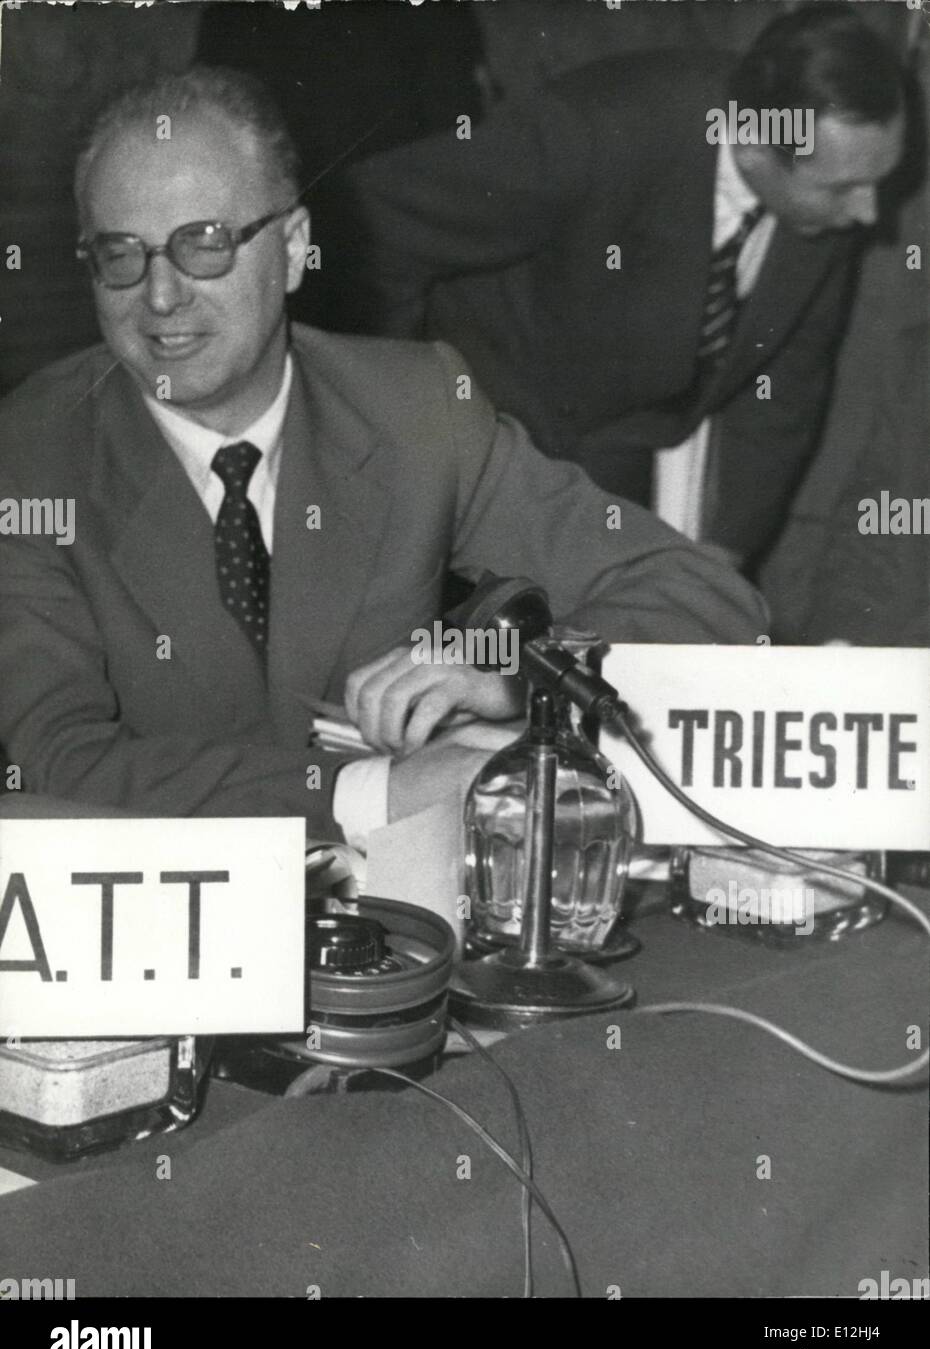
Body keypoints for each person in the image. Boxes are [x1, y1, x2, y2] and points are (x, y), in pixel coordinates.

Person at [0, 66, 767, 849]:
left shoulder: (418, 409)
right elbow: (57, 762)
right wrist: (374, 793)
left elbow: (703, 596)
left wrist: (515, 673)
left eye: (205, 245)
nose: (160, 296)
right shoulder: (32, 455)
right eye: (120, 255)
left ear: (294, 249)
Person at [346, 3, 907, 564]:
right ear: (755, 146)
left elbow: (785, 388)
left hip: (614, 450)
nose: (868, 214)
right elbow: (372, 227)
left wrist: (726, 549)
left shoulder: (833, 193)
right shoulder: (590, 134)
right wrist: (405, 430)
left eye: (877, 182)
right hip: (481, 418)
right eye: (843, 189)